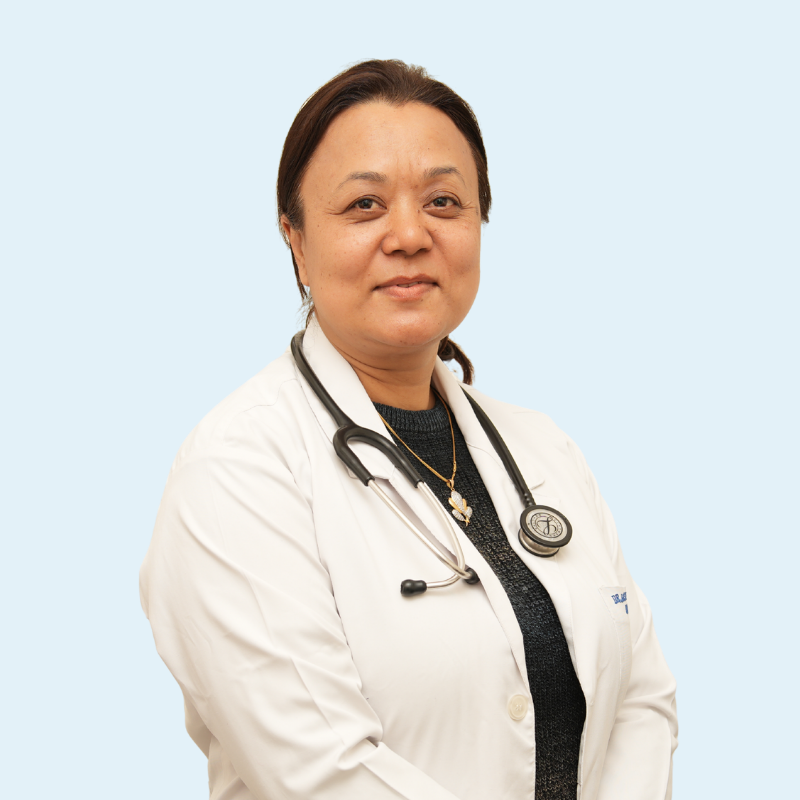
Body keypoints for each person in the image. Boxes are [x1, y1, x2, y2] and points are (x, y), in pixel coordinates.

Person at [140, 59, 678, 800]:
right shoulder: (236, 470)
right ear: (296, 239)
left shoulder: (543, 449)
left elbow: (642, 700)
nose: (409, 234)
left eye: (443, 201)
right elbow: (324, 774)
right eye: (364, 204)